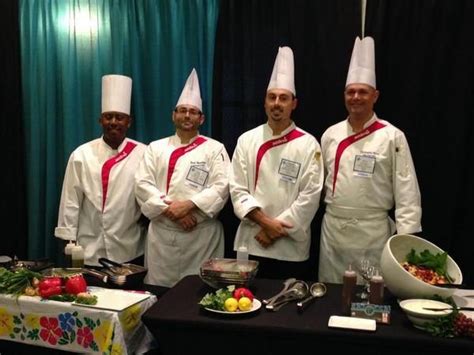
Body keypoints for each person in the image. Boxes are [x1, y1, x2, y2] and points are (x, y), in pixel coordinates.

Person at [318, 36, 422, 284]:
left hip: (372, 232)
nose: (356, 97)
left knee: (370, 297)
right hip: (333, 230)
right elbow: (317, 183)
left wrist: (405, 240)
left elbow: (406, 188)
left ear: (375, 96)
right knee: (331, 294)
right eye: (350, 92)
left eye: (362, 92)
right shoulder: (330, 135)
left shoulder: (392, 136)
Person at [229, 47, 324, 280]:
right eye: (272, 97)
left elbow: (310, 196)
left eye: (284, 98)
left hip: (289, 246)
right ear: (264, 103)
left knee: (287, 311)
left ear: (294, 103)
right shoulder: (247, 139)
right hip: (252, 240)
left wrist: (274, 230)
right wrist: (264, 223)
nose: (277, 103)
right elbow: (237, 189)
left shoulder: (308, 144)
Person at [135, 68, 230, 287]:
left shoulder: (215, 148)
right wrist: (174, 213)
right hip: (162, 235)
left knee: (199, 292)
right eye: (182, 110)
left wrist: (189, 205)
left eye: (193, 111)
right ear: (173, 115)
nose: (187, 115)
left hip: (201, 235)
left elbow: (222, 185)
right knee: (160, 295)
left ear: (201, 118)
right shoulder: (155, 147)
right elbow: (142, 183)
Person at [55, 74, 147, 267]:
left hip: (130, 247)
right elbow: (71, 199)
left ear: (128, 122)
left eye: (119, 117)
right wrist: (68, 239)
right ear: (100, 121)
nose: (114, 122)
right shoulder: (82, 154)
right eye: (108, 117)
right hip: (89, 247)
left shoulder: (143, 153)